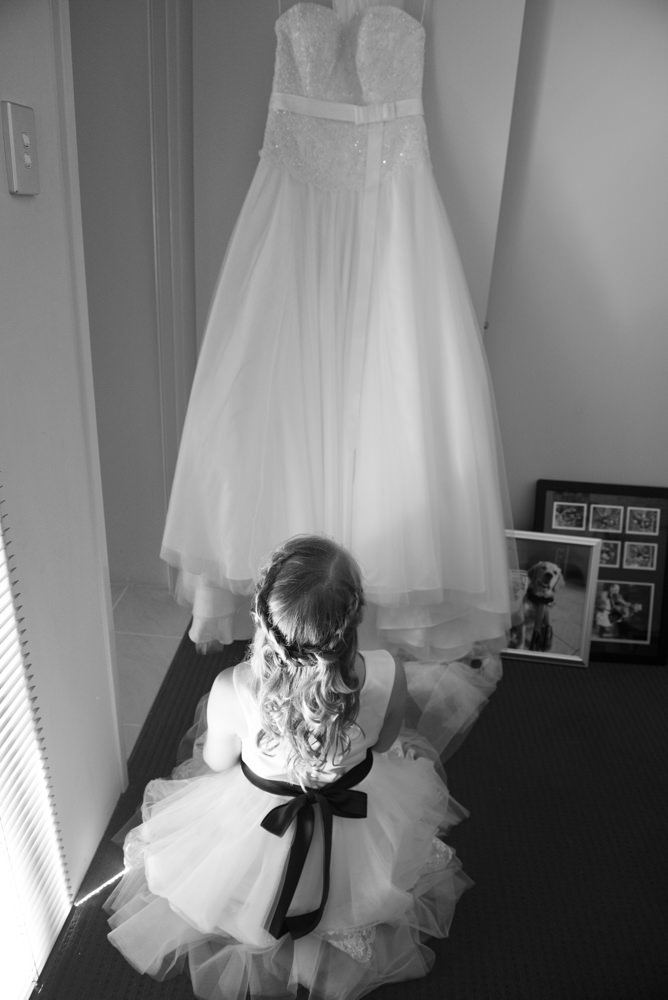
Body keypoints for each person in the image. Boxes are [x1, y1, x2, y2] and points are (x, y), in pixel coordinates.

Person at [160, 0, 514, 662]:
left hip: (393, 238)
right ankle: (299, 608)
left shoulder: (403, 28)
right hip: (292, 240)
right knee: (277, 412)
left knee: (390, 407)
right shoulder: (297, 24)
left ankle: (357, 618)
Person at [105, 535, 471, 1000]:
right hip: (355, 816)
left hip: (260, 822)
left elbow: (217, 761)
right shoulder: (386, 671)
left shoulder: (232, 687)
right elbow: (383, 745)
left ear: (262, 617)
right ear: (355, 618)